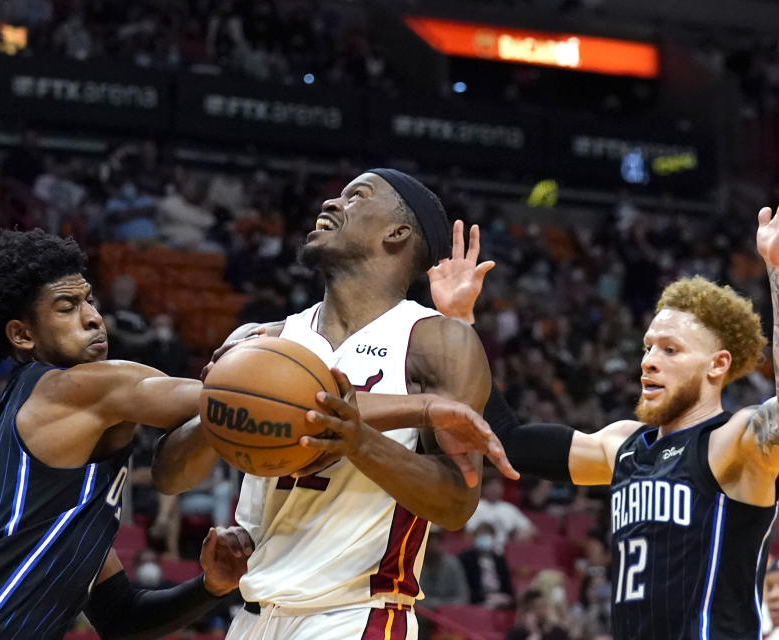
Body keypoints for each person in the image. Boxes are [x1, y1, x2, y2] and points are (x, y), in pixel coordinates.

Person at [427, 156, 779, 639]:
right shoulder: (622, 446)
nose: (649, 360)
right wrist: (460, 321)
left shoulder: (731, 443)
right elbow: (509, 440)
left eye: (671, 350)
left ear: (717, 364)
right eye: (648, 347)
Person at [152, 168, 518, 640]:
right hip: (249, 616)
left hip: (355, 614)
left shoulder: (438, 342)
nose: (330, 204)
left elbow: (455, 504)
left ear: (397, 232)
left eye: (356, 197)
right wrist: (221, 411)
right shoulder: (259, 341)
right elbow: (169, 476)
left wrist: (357, 440)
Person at [0, 229, 250, 640]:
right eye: (67, 307)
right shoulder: (64, 388)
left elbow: (122, 619)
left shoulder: (56, 495)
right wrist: (283, 343)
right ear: (23, 335)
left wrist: (213, 586)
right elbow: (232, 397)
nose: (92, 317)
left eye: (89, 300)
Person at [458, 522, 515, 609]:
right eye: (481, 536)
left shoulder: (499, 559)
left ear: (493, 538)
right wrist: (486, 598)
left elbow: (508, 586)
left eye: (488, 536)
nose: (485, 539)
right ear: (475, 538)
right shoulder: (466, 558)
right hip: (477, 600)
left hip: (500, 599)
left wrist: (506, 597)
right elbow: (465, 587)